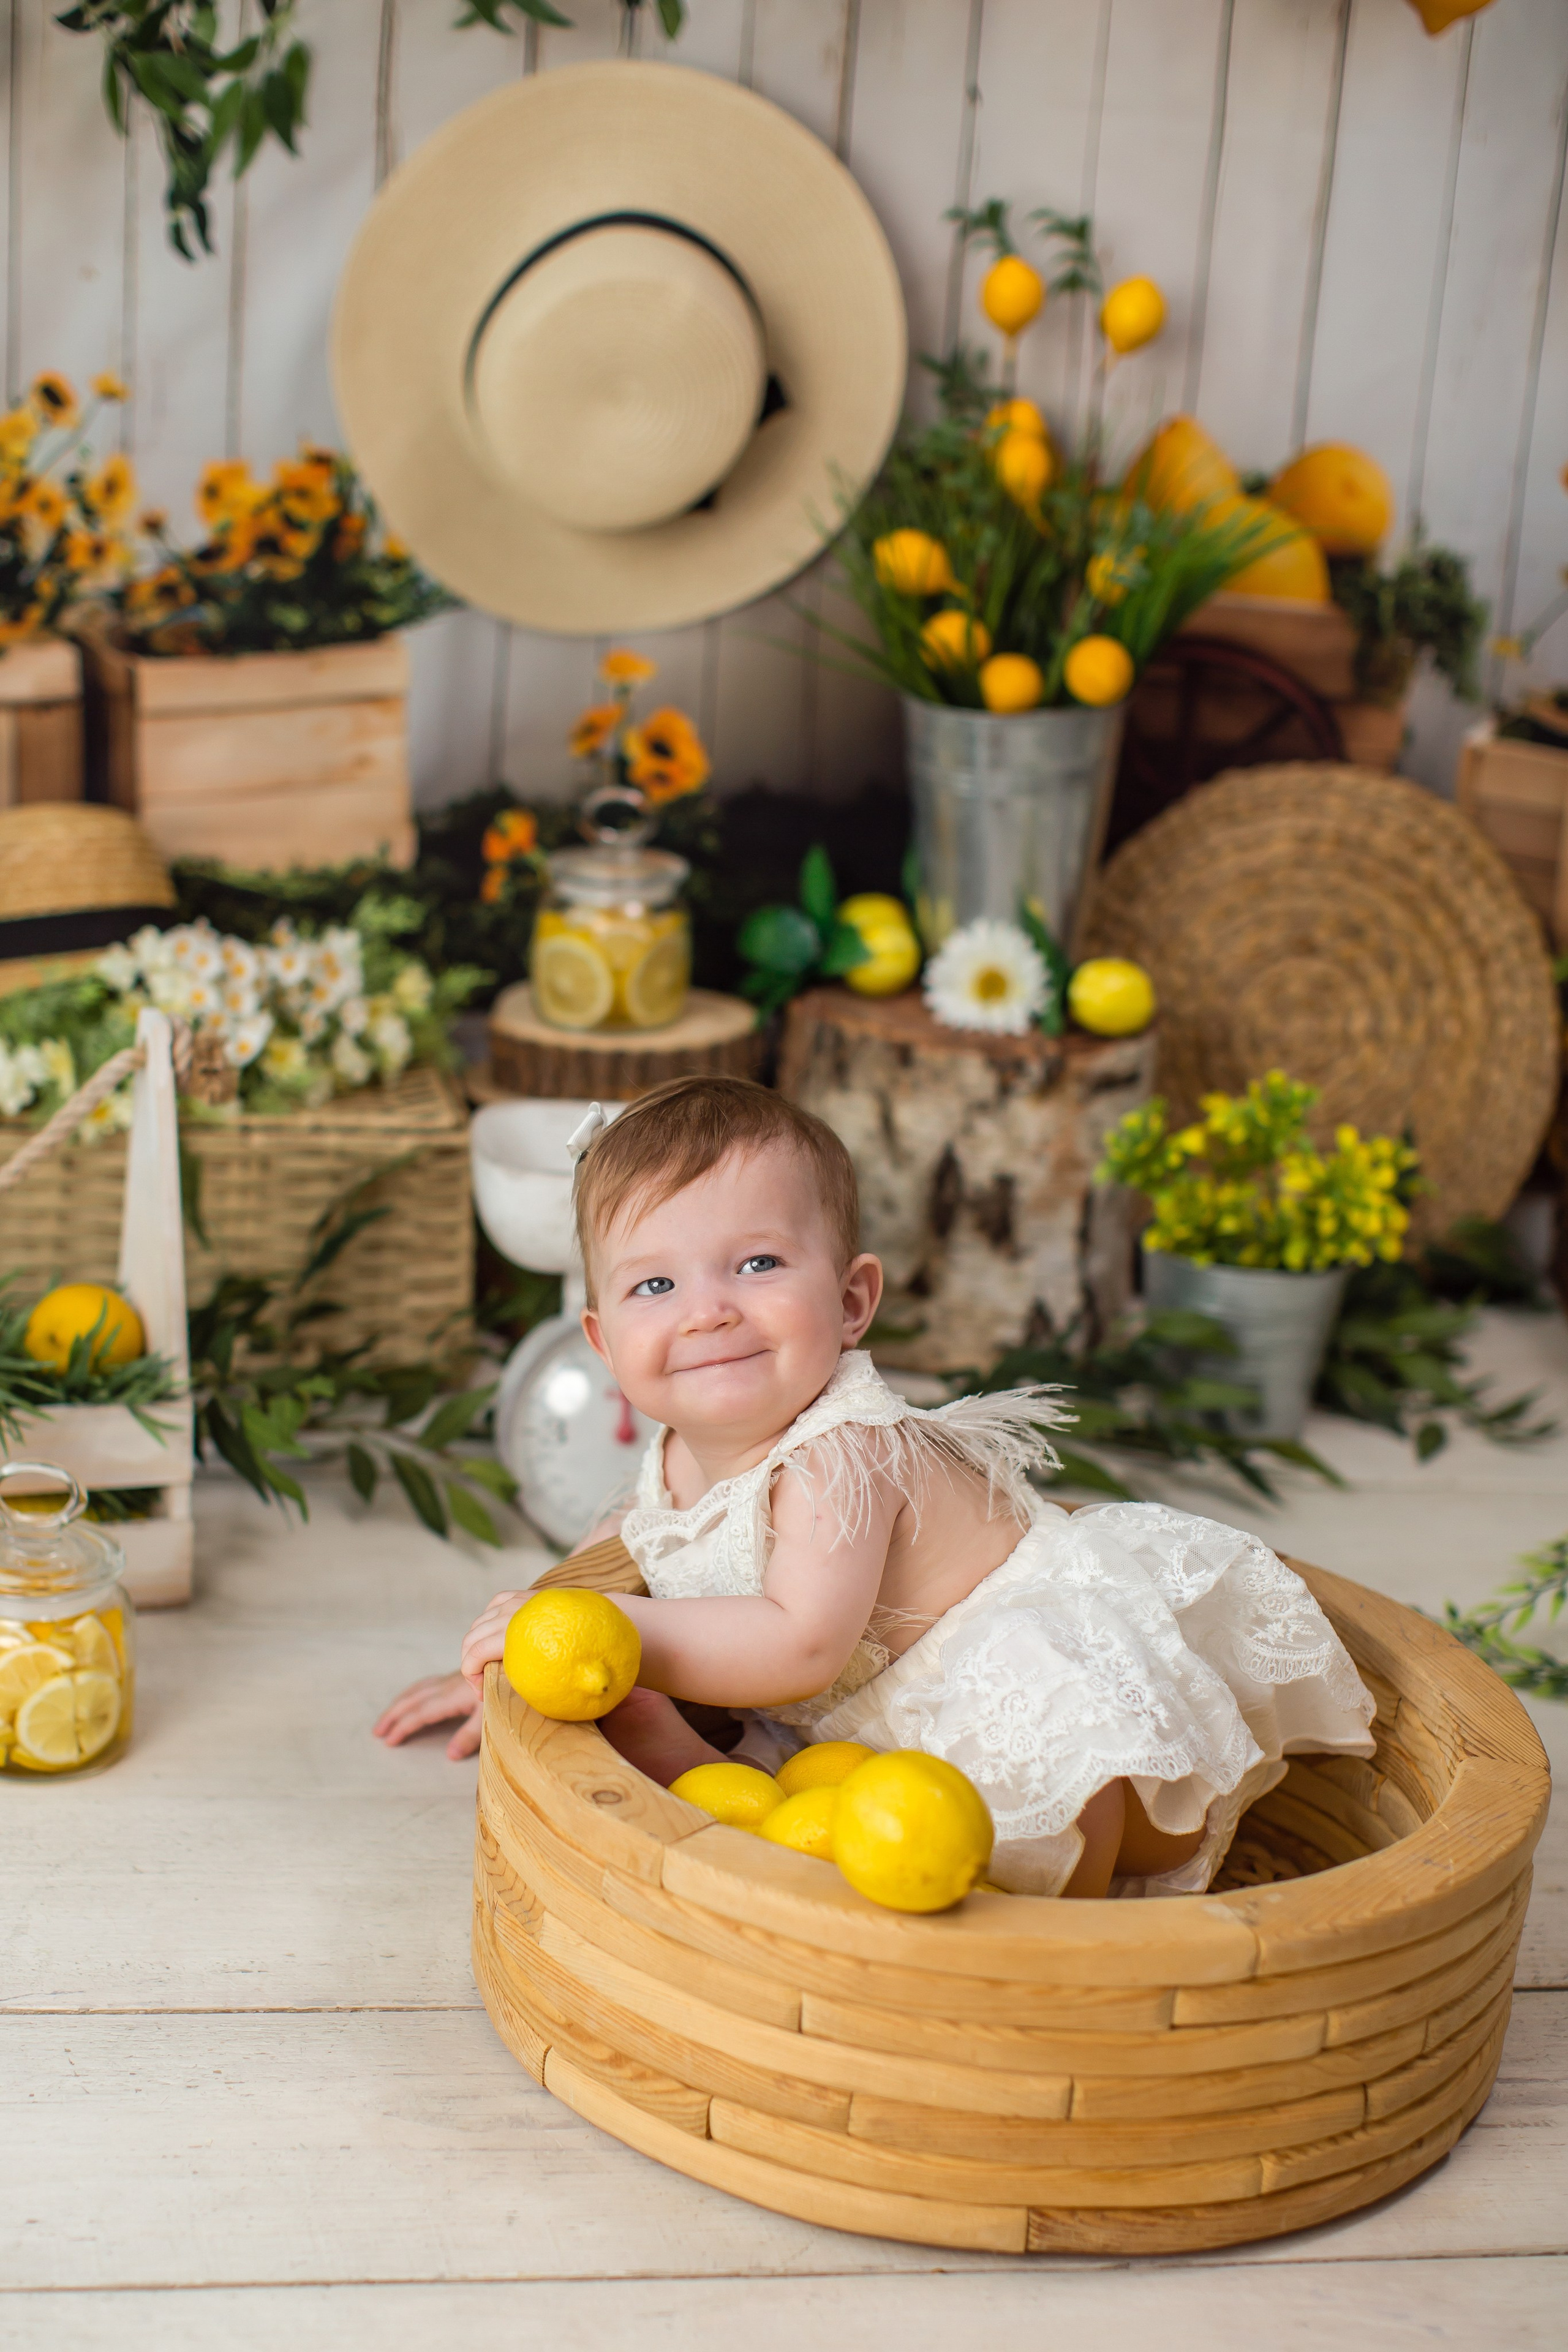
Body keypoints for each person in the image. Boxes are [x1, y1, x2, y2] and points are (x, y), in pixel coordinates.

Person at [375, 1077, 1374, 1897]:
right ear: (602, 1342)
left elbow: (800, 1643)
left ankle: (1072, 1976)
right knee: (802, 1830)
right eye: (655, 1285)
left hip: (1033, 1710)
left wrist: (606, 1628)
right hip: (882, 1746)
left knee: (993, 1917)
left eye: (757, 1263)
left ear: (852, 1300)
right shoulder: (678, 1454)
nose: (708, 1312)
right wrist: (532, 1659)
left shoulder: (839, 1453)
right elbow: (632, 1547)